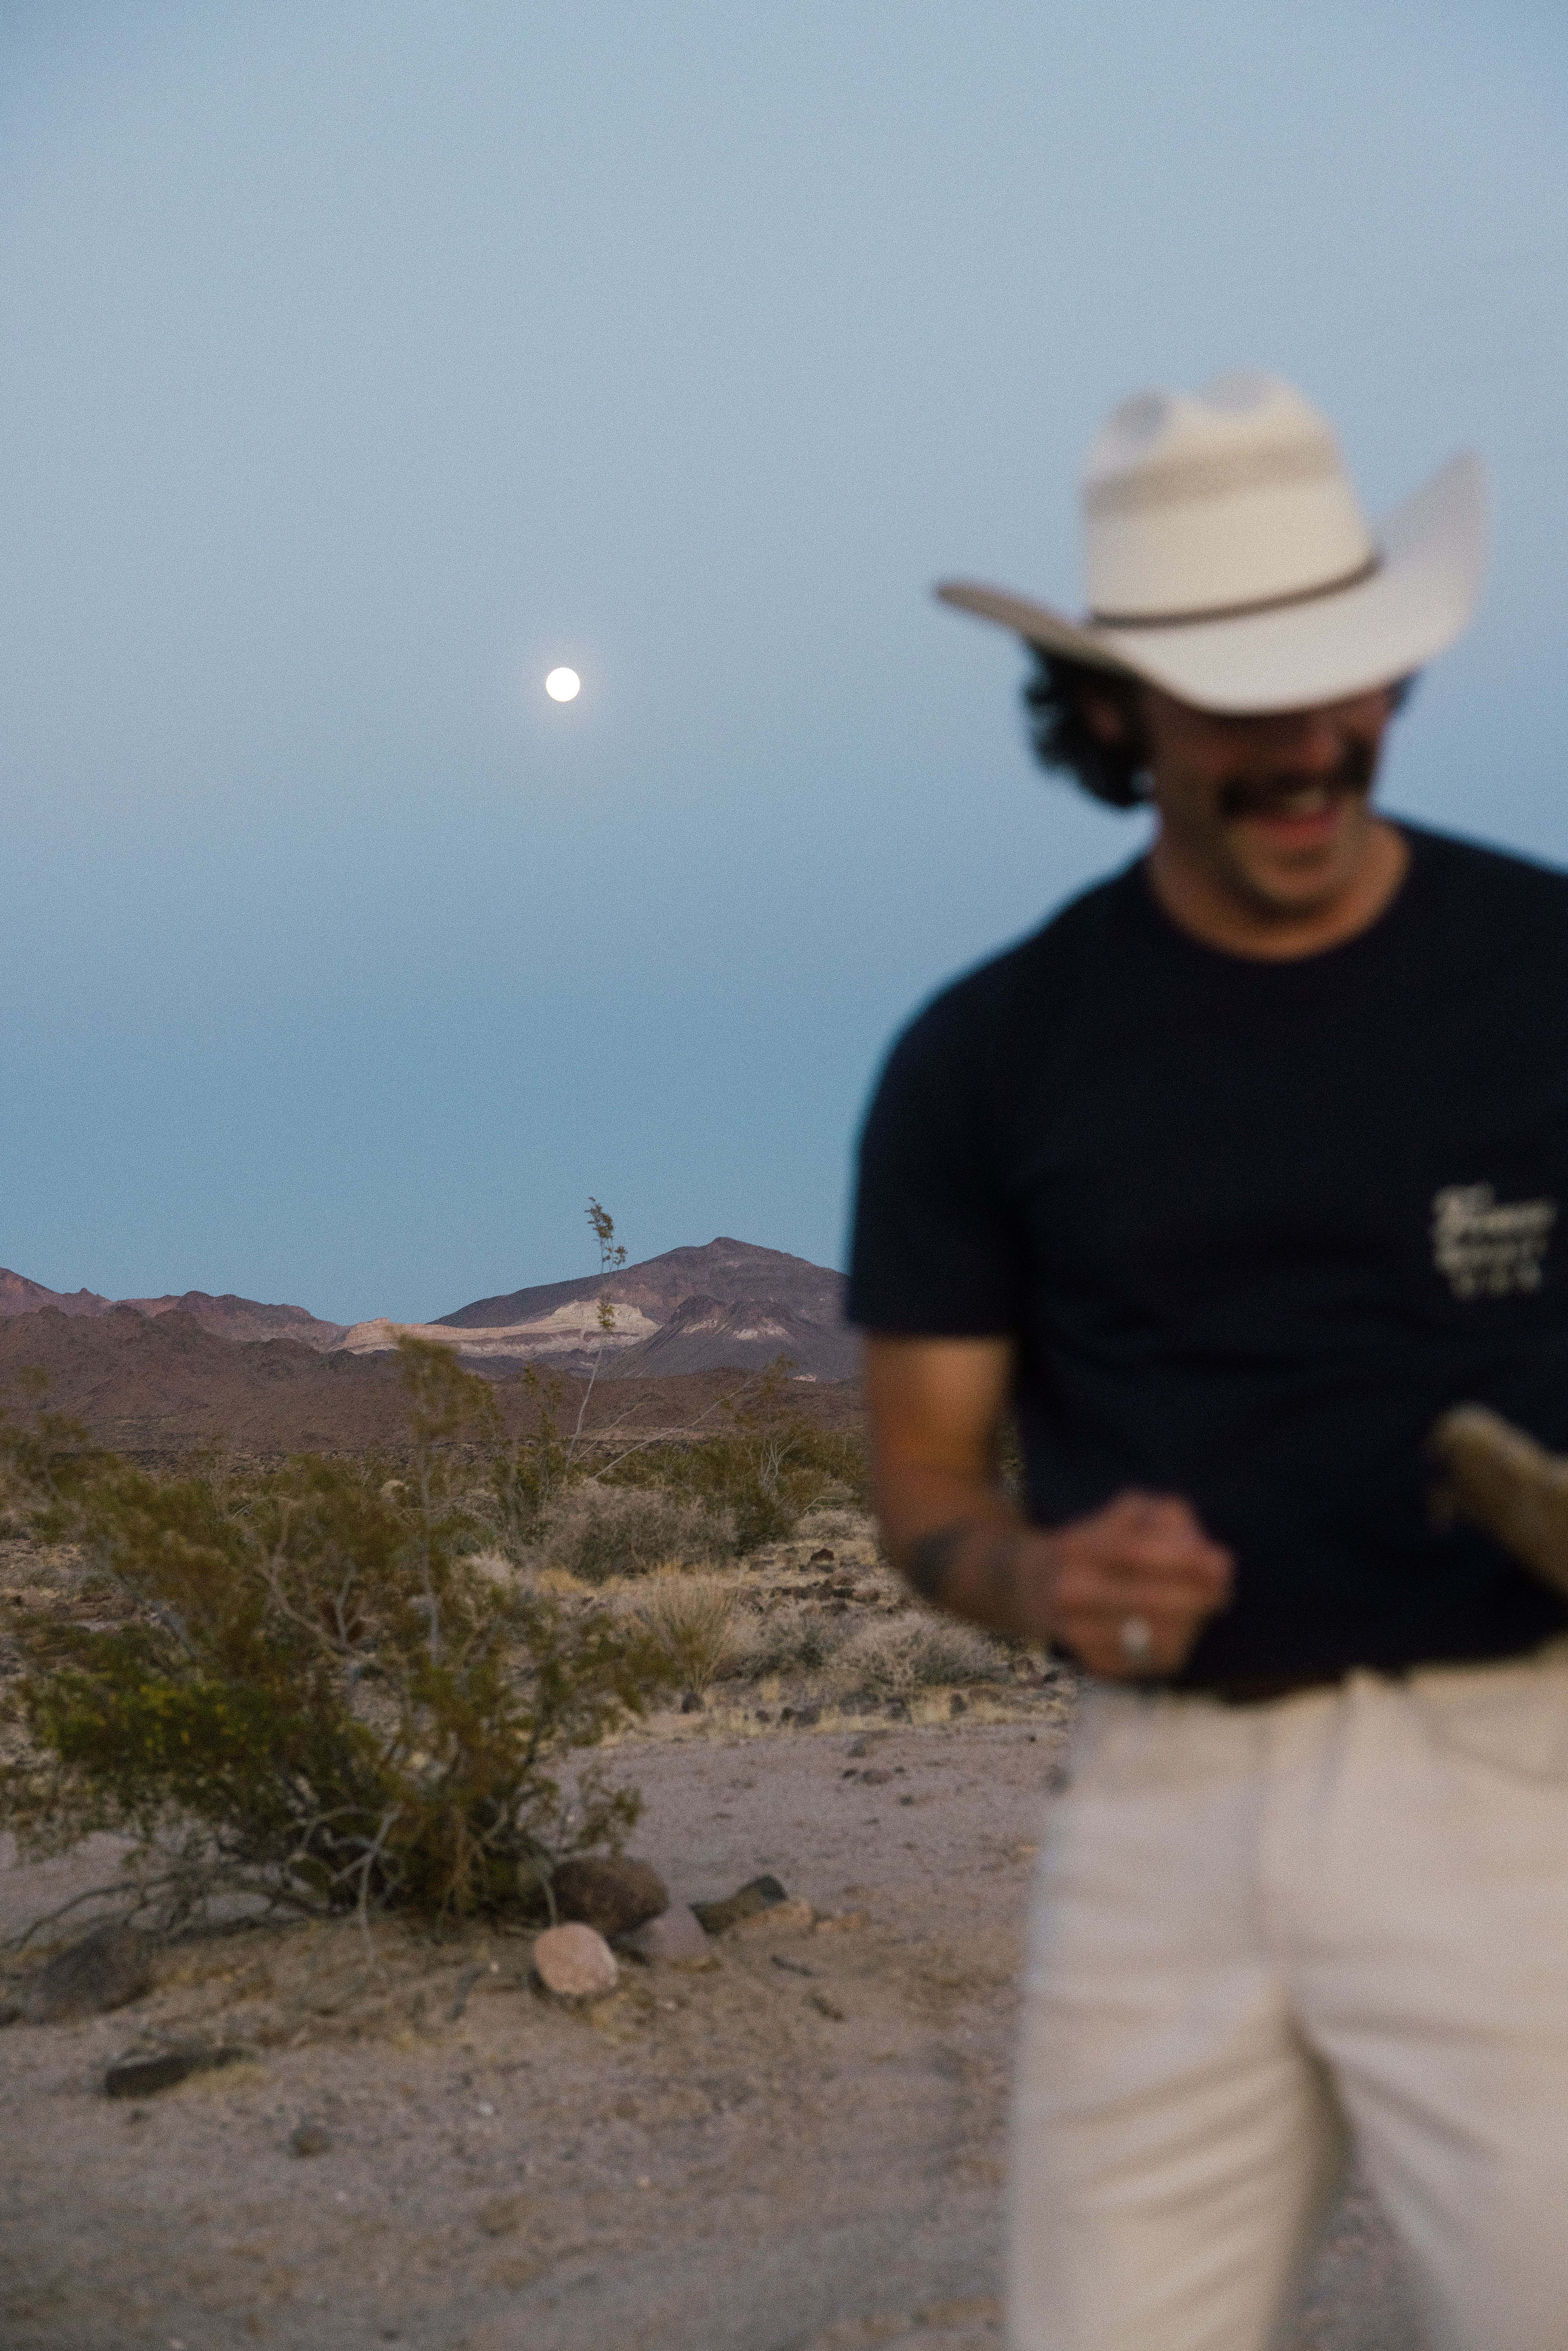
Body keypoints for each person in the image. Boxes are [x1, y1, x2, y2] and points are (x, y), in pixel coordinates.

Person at [847, 371, 1568, 2351]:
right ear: (1112, 712)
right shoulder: (985, 1059)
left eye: (1353, 681)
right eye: (1248, 701)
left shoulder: (1545, 983)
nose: (1317, 743)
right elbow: (923, 1477)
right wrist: (1039, 1578)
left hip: (1521, 1780)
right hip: (1162, 1804)